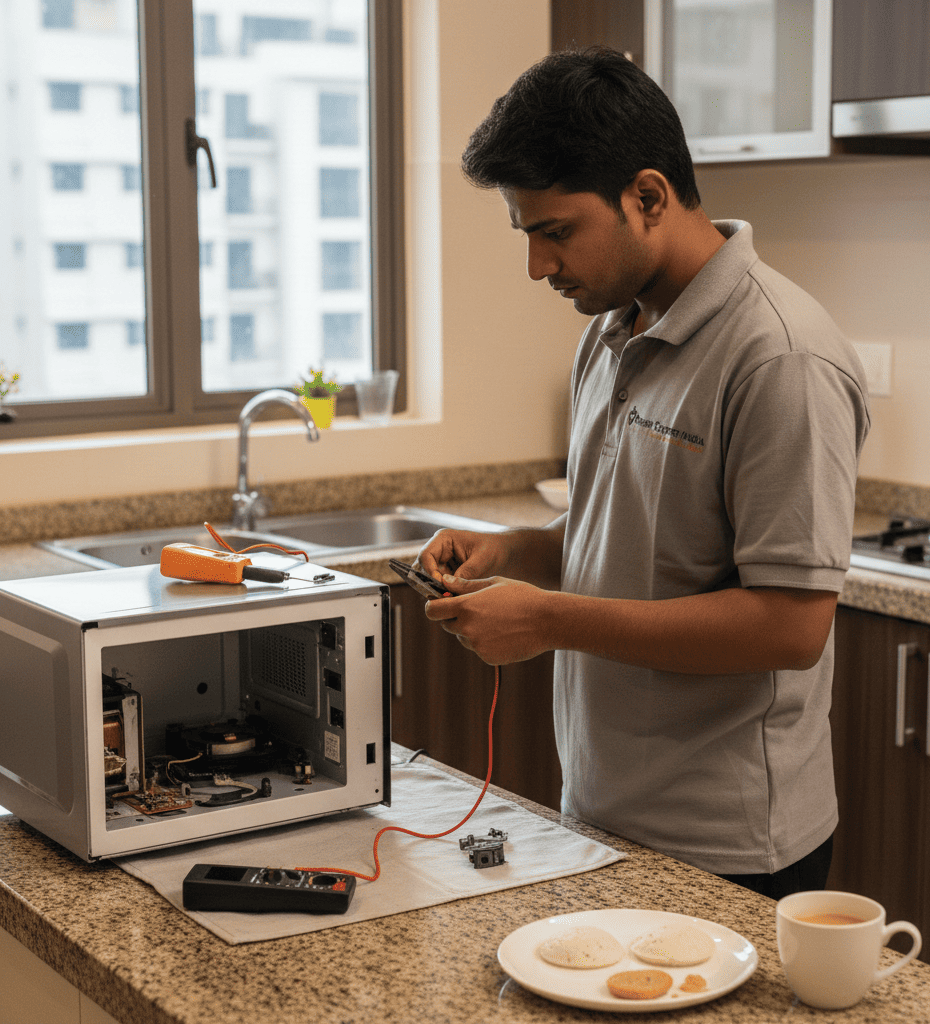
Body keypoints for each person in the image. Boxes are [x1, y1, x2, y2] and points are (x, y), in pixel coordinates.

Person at [414, 48, 872, 899]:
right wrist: (513, 551)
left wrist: (549, 619)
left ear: (649, 196)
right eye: (528, 235)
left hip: (730, 846)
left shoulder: (780, 356)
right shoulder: (611, 330)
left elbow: (789, 625)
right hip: (596, 812)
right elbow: (623, 535)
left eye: (556, 232)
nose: (538, 267)